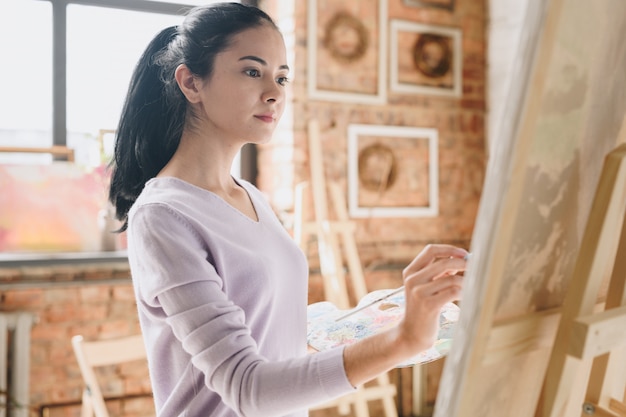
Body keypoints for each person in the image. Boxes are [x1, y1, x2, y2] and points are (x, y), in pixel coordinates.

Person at [108, 3, 468, 417]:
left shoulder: (250, 197)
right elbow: (247, 388)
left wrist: (379, 314)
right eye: (251, 71)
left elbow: (265, 323)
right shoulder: (164, 216)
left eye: (281, 77)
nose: (274, 92)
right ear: (191, 82)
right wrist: (403, 339)